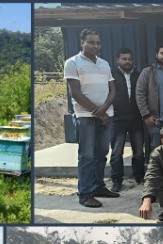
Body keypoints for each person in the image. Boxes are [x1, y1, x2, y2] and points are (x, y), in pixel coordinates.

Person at [64, 29, 120, 207]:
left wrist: (104, 111)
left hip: (105, 116)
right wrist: (99, 112)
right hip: (85, 117)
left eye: (98, 43)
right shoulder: (72, 63)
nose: (95, 45)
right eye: (91, 42)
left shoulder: (104, 64)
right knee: (87, 155)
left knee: (102, 153)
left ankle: (98, 186)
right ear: (82, 42)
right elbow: (76, 93)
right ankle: (85, 193)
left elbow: (113, 90)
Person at [108, 48, 145, 192]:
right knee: (117, 152)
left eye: (129, 59)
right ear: (118, 60)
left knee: (138, 151)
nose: (127, 62)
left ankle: (139, 176)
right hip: (118, 118)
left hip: (136, 118)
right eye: (124, 59)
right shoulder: (111, 75)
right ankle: (116, 180)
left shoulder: (138, 74)